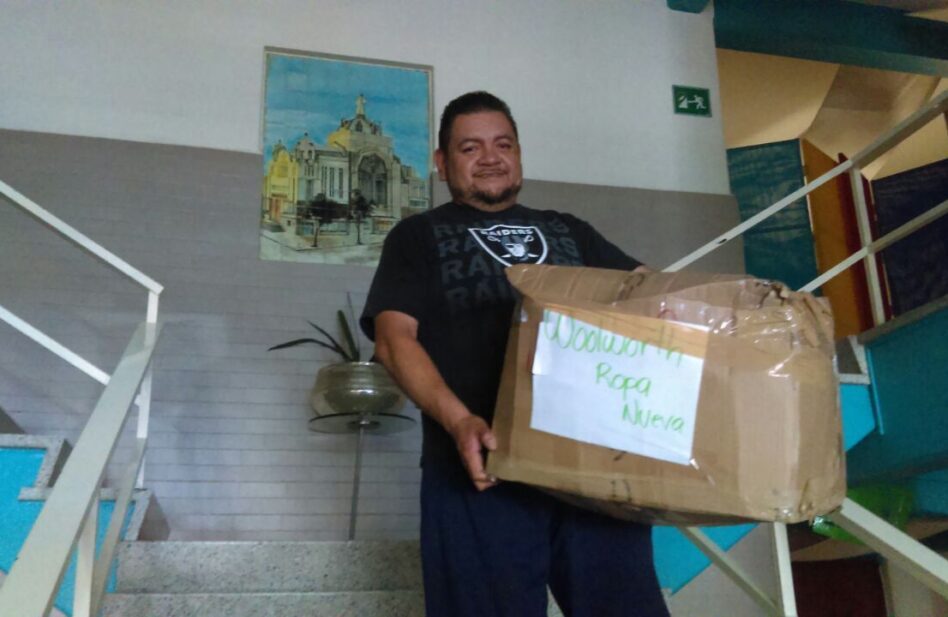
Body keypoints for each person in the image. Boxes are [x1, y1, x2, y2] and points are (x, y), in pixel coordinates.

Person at [360, 91, 669, 617]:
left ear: (519, 154)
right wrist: (459, 423)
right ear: (441, 163)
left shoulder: (571, 230)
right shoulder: (418, 236)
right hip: (479, 468)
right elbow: (394, 339)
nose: (490, 157)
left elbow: (652, 299)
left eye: (503, 144)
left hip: (589, 471)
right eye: (470, 147)